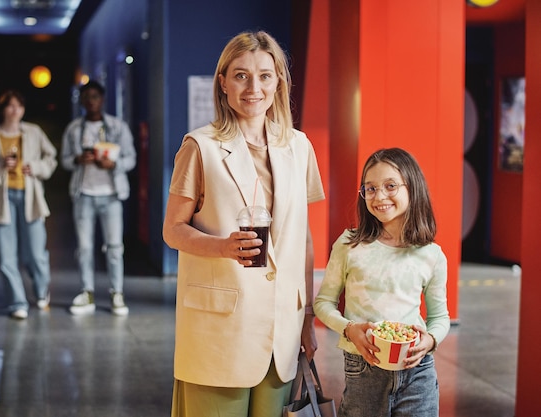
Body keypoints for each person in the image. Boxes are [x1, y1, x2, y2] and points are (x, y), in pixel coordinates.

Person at [163, 31, 325, 417]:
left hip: (281, 332)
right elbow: (173, 230)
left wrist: (306, 318)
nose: (254, 87)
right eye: (241, 76)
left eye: (265, 76)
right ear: (223, 82)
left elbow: (302, 240)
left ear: (278, 82)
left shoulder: (299, 147)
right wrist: (223, 247)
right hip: (220, 330)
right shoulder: (199, 147)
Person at [313, 147, 450, 417]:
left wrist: (431, 340)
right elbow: (323, 303)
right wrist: (349, 328)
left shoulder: (431, 254)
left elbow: (439, 317)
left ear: (412, 188)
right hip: (364, 369)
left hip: (417, 370)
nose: (380, 197)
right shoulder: (349, 244)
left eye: (390, 186)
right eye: (370, 188)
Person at [0, 89, 57, 319]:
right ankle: (17, 302)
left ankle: (41, 292)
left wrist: (36, 168)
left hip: (30, 197)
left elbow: (51, 158)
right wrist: (0, 166)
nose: (15, 110)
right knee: (7, 255)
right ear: (3, 109)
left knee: (35, 252)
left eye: (19, 106)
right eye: (10, 106)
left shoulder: (33, 132)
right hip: (3, 200)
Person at [60, 80, 137, 316]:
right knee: (84, 247)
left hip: (111, 195)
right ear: (82, 101)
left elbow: (131, 158)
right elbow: (64, 160)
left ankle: (117, 293)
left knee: (114, 247)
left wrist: (113, 164)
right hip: (83, 194)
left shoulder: (117, 127)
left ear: (102, 100)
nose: (91, 101)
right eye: (87, 97)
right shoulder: (74, 129)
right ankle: (87, 292)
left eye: (95, 96)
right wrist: (77, 160)